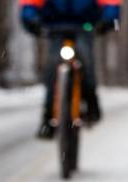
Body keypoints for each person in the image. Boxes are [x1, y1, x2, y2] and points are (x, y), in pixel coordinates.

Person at [20, 0, 122, 139]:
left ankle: (92, 105)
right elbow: (30, 3)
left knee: (87, 63)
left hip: (84, 26)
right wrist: (30, 18)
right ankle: (48, 118)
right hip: (55, 27)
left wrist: (109, 19)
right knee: (51, 70)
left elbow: (110, 3)